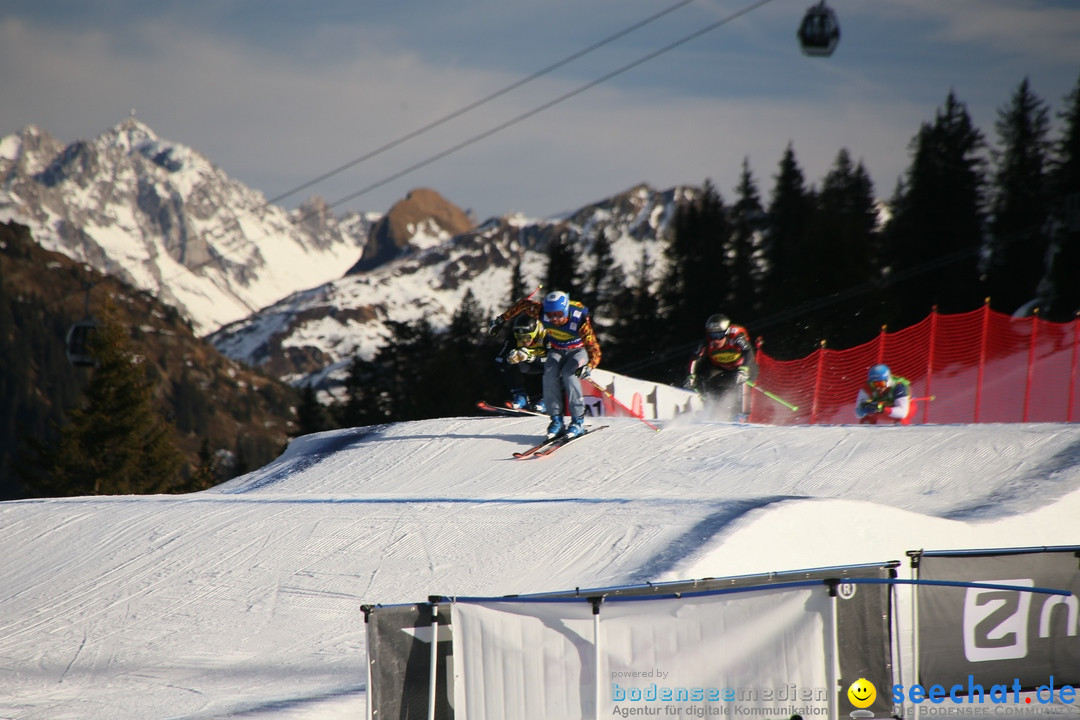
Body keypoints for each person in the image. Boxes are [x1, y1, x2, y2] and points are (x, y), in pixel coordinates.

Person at [489, 290, 601, 439]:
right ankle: (556, 420)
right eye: (550, 315)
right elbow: (523, 304)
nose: (554, 319)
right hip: (557, 350)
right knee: (549, 375)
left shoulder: (578, 319)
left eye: (559, 314)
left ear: (566, 310)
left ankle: (578, 421)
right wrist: (501, 320)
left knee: (569, 375)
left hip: (577, 351)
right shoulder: (541, 311)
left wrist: (589, 366)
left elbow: (594, 349)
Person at [685, 314, 758, 422]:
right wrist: (690, 376)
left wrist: (744, 369)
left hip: (743, 367)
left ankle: (741, 414)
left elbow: (748, 352)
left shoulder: (736, 337)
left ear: (727, 332)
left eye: (720, 335)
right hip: (723, 368)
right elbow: (695, 358)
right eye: (713, 335)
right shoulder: (707, 342)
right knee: (708, 378)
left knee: (741, 382)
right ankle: (713, 409)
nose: (716, 340)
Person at [493, 314, 547, 412]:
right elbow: (498, 360)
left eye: (527, 337)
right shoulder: (513, 337)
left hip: (547, 365)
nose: (523, 341)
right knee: (506, 364)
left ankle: (549, 400)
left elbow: (556, 361)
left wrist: (532, 358)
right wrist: (508, 359)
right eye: (519, 337)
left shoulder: (546, 334)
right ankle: (520, 396)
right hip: (529, 366)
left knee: (558, 367)